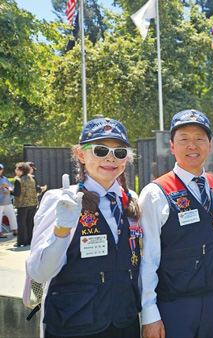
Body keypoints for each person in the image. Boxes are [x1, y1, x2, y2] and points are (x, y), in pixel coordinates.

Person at [26, 117, 142, 337]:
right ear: (80, 154)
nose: (110, 158)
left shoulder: (131, 201)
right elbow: (39, 272)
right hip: (73, 323)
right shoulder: (61, 200)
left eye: (119, 152)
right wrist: (61, 230)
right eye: (100, 150)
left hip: (123, 321)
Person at [139, 109, 213, 338]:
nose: (193, 146)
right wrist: (149, 313)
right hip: (175, 306)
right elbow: (147, 258)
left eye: (199, 139)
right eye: (184, 140)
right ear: (172, 146)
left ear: (209, 145)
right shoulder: (155, 193)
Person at [13, 162, 37, 247]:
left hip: (22, 204)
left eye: (17, 169)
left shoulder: (18, 180)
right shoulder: (31, 178)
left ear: (21, 170)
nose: (16, 171)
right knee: (30, 223)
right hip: (33, 203)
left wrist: (9, 190)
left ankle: (21, 241)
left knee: (22, 223)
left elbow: (17, 193)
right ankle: (30, 240)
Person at [0, 164, 17, 238]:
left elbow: (10, 187)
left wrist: (9, 191)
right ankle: (0, 233)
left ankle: (15, 230)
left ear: (2, 170)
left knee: (12, 215)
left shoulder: (5, 178)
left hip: (7, 200)